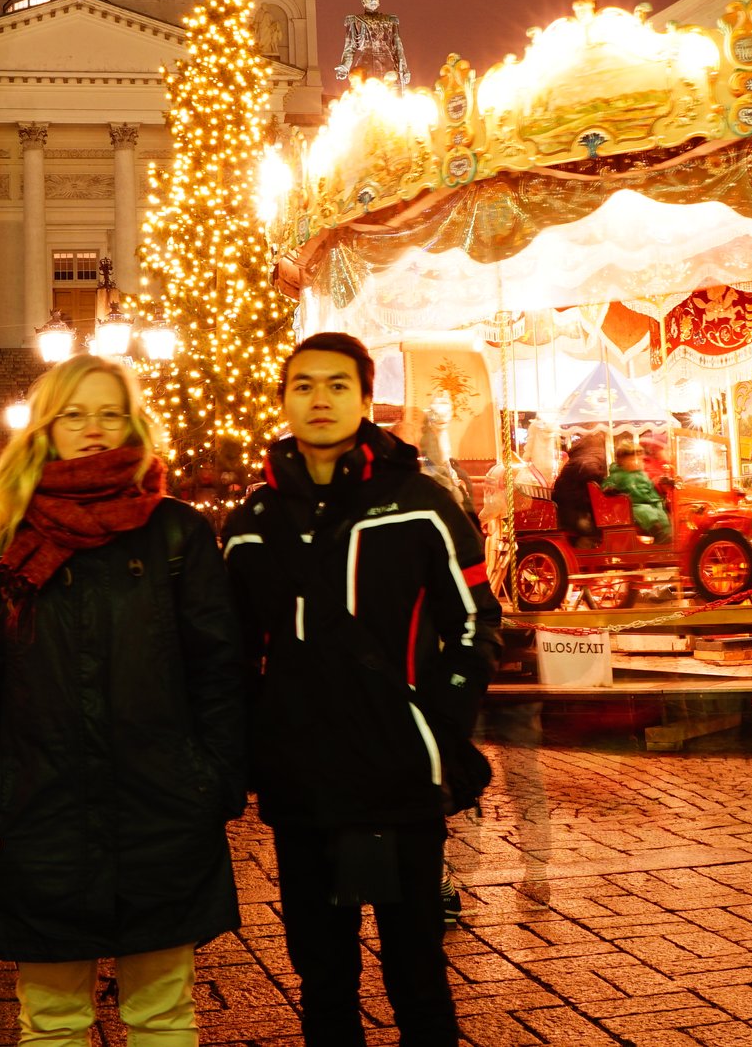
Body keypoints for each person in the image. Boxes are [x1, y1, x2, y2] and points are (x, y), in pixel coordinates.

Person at [0, 355, 244, 1047]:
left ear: (134, 422)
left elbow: (218, 671)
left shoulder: (176, 533)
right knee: (51, 1022)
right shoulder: (5, 536)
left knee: (163, 1014)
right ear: (46, 427)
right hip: (39, 808)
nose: (93, 429)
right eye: (74, 413)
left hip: (161, 808)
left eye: (109, 412)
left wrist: (214, 780)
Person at [222, 332, 504, 1047]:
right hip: (301, 779)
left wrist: (438, 725)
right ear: (284, 399)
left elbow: (473, 620)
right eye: (305, 385)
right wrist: (259, 736)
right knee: (321, 974)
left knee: (416, 965)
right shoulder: (253, 522)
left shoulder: (421, 503)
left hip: (398, 770)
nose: (320, 398)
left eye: (337, 385)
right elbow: (229, 647)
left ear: (366, 399)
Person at [602, 442, 671, 543]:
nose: (637, 462)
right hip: (633, 504)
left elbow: (649, 487)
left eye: (639, 459)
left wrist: (658, 493)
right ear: (622, 461)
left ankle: (665, 537)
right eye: (632, 459)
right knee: (644, 512)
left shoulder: (642, 474)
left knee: (662, 514)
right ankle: (656, 531)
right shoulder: (618, 475)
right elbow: (608, 483)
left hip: (650, 501)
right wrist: (609, 489)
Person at [549, 435, 603, 546]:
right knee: (592, 529)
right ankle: (583, 555)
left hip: (573, 507)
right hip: (571, 510)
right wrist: (603, 480)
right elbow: (592, 473)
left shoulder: (579, 459)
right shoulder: (585, 461)